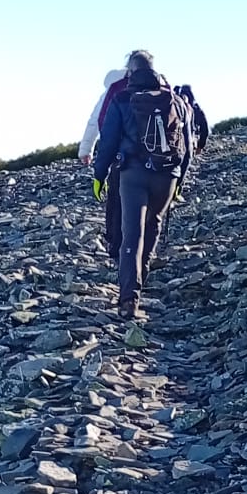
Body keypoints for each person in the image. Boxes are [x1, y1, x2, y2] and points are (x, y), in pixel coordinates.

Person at [91, 50, 190, 319]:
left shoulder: (122, 99)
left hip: (132, 174)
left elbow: (108, 142)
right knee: (153, 223)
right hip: (167, 175)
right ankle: (141, 276)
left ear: (130, 72)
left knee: (131, 234)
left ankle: (128, 299)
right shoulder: (175, 100)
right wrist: (180, 180)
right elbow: (187, 147)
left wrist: (99, 176)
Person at [78, 63, 129, 262]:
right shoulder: (158, 87)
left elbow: (95, 120)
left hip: (120, 155)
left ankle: (115, 244)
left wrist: (86, 150)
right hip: (154, 157)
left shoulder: (114, 89)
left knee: (115, 199)